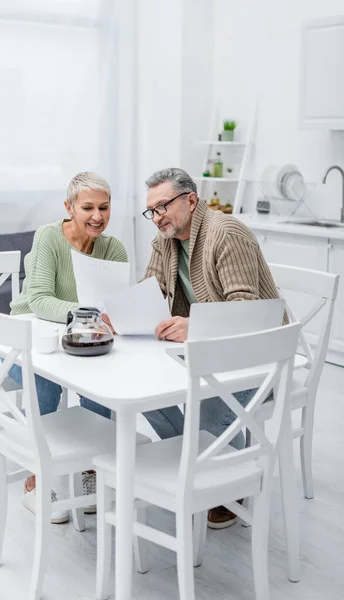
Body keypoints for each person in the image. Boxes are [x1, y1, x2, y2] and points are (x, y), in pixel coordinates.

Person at [141, 167, 280, 529]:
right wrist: (123, 313)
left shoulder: (225, 232)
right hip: (205, 349)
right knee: (141, 391)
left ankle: (225, 481)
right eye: (151, 211)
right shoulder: (165, 240)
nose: (156, 218)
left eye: (162, 207)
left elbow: (248, 312)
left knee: (204, 410)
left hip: (256, 352)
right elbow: (149, 290)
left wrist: (193, 326)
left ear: (190, 200)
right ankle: (206, 461)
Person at [9, 171, 127, 523]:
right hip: (30, 339)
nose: (97, 216)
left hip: (81, 342)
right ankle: (36, 480)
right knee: (43, 379)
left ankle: (93, 471)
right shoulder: (49, 237)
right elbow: (40, 300)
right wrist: (86, 314)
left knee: (101, 380)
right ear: (69, 207)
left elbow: (118, 303)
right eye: (88, 207)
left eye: (104, 207)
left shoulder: (113, 248)